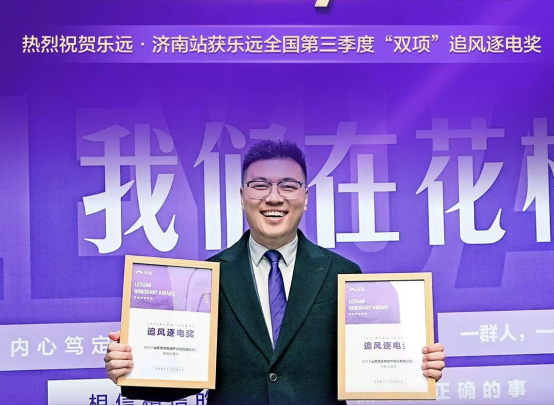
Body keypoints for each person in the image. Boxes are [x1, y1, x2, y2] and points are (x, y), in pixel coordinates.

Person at [105, 140, 446, 405]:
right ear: (242, 197)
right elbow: (182, 375)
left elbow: (368, 365)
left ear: (305, 197)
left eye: (288, 186)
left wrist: (417, 366)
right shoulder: (207, 277)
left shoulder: (342, 274)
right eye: (260, 185)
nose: (274, 198)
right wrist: (131, 370)